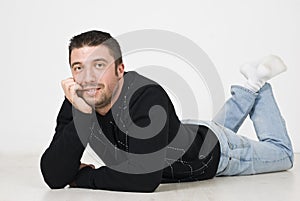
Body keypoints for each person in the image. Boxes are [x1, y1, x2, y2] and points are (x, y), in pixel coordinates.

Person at [40, 30, 294, 193]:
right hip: (187, 134)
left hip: (218, 154)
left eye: (98, 65)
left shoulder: (147, 96)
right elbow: (54, 175)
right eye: (78, 68)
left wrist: (86, 178)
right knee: (217, 130)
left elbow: (143, 180)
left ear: (120, 70)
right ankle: (249, 85)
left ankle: (259, 84)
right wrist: (83, 114)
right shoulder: (79, 100)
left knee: (283, 155)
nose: (88, 78)